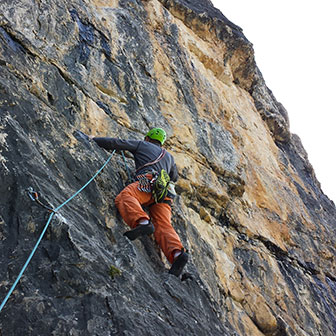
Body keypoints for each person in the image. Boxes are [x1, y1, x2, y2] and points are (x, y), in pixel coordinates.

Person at [90, 128, 188, 277]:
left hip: (147, 181)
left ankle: (142, 222)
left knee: (126, 197)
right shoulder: (169, 157)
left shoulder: (143, 145)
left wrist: (92, 139)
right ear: (161, 143)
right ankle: (176, 254)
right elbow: (174, 176)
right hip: (165, 193)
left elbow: (116, 143)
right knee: (163, 224)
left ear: (147, 138)